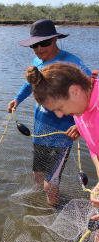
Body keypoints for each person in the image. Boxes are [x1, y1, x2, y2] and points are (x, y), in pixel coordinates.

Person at [6, 19, 91, 206]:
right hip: (40, 132)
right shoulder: (38, 61)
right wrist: (17, 99)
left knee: (49, 185)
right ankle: (44, 205)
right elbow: (30, 84)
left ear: (55, 40)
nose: (39, 48)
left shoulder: (72, 63)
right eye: (35, 44)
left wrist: (79, 125)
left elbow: (91, 95)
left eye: (44, 42)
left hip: (62, 135)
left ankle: (53, 213)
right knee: (38, 176)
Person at [25, 63, 99, 218]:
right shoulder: (79, 112)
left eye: (58, 108)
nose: (60, 116)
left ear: (74, 91)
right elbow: (95, 149)